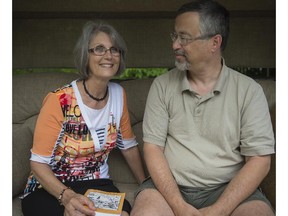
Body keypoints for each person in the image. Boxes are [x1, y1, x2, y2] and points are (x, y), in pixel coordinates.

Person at [131, 1, 275, 216]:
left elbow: (259, 160)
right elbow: (153, 148)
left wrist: (219, 209)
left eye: (185, 38)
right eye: (175, 36)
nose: (175, 45)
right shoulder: (162, 85)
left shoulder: (249, 91)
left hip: (228, 188)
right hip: (168, 188)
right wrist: (179, 206)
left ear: (214, 42)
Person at [21, 20, 146, 216]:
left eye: (115, 50)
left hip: (98, 184)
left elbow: (128, 146)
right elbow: (37, 164)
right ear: (84, 56)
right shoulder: (60, 100)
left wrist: (146, 187)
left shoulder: (118, 94)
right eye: (99, 49)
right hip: (51, 188)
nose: (108, 55)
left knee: (122, 213)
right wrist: (68, 197)